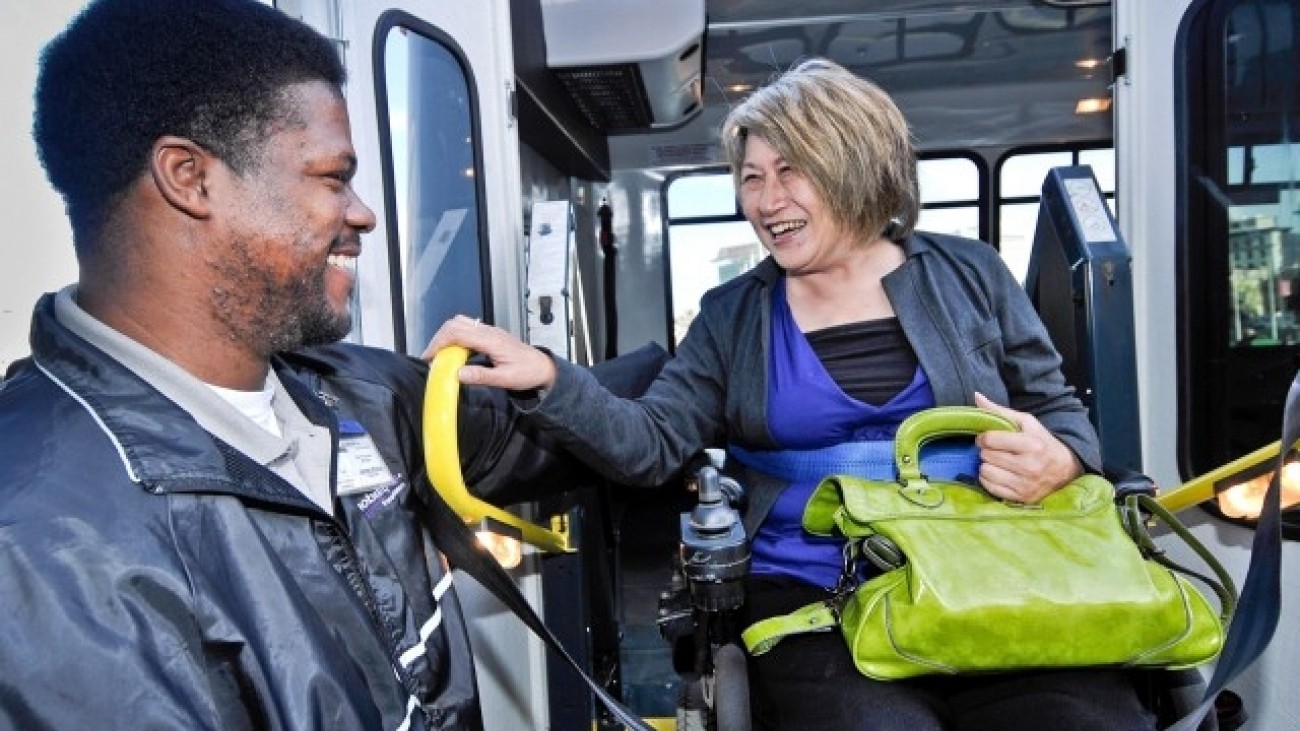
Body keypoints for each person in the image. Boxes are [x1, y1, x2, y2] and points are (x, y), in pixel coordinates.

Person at [428, 58, 1156, 731]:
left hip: (990, 570)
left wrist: (1061, 459)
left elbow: (1062, 410)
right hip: (816, 592)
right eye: (751, 176)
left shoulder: (970, 275)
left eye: (791, 170)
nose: (767, 200)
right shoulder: (732, 316)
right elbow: (648, 445)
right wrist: (550, 378)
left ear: (854, 165)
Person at [0, 1, 641, 729]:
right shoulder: (38, 547)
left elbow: (563, 430)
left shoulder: (352, 393)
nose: (362, 212)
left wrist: (712, 368)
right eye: (333, 176)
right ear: (189, 177)